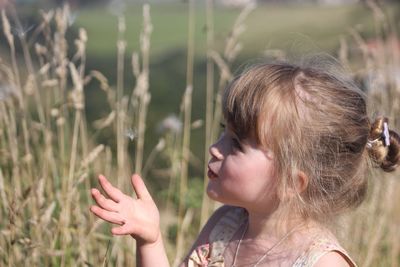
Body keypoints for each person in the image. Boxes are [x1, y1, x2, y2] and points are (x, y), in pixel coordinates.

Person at [90, 61, 400, 267]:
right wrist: (151, 239)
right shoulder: (224, 226)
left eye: (237, 143)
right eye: (223, 133)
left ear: (293, 182)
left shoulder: (321, 263)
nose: (215, 148)